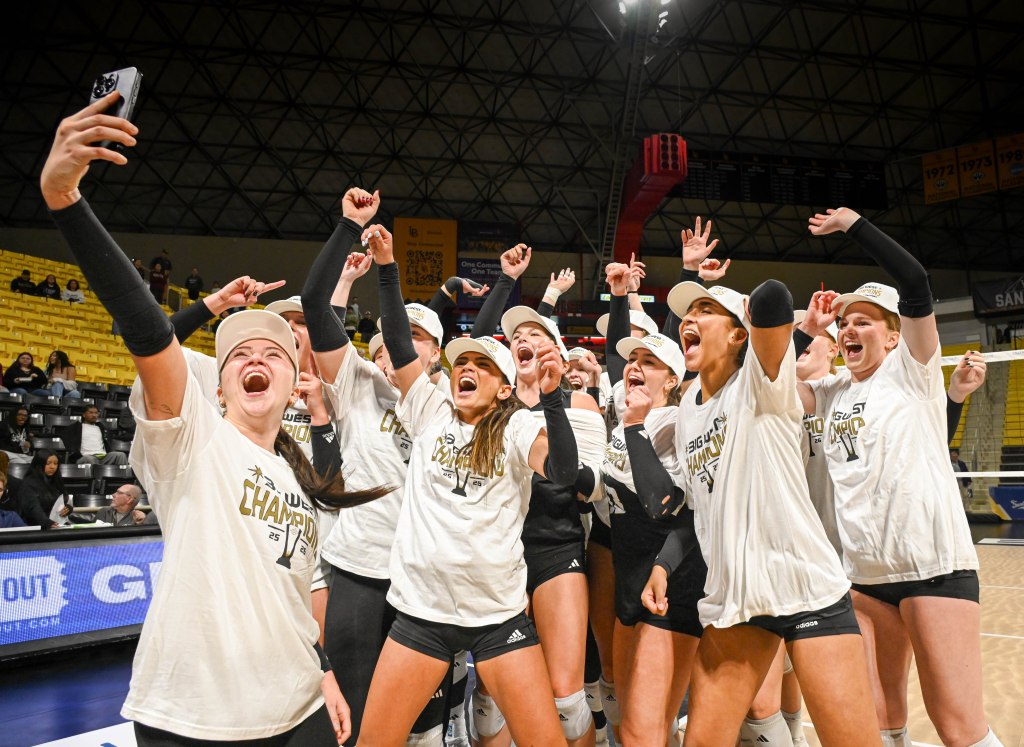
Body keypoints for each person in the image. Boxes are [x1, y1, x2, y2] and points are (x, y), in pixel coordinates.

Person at [41, 92, 391, 744]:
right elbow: (149, 333)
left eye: (274, 354)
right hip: (193, 716)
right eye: (239, 356)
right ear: (219, 384)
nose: (256, 359)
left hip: (298, 703)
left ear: (292, 381)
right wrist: (66, 200)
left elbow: (291, 590)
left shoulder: (297, 471)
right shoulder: (194, 438)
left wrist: (321, 670)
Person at [354, 221, 579, 747]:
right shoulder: (429, 409)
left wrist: (551, 400)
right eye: (462, 363)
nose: (466, 369)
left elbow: (564, 472)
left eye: (481, 364)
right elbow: (399, 343)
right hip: (422, 613)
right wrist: (387, 267)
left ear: (503, 389)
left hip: (497, 615)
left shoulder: (518, 425)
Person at [802, 207, 1004, 747]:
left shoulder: (911, 369)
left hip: (931, 567)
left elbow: (915, 281)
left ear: (894, 337)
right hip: (864, 577)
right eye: (845, 322)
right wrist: (807, 332)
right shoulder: (831, 390)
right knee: (879, 725)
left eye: (865, 321)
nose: (850, 328)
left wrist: (853, 224)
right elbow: (771, 386)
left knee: (957, 726)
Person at [660, 277, 881, 746]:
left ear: (738, 334)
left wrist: (768, 316)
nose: (689, 318)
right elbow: (700, 509)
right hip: (736, 600)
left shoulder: (762, 380)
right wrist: (663, 566)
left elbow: (775, 295)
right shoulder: (686, 411)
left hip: (805, 587)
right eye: (687, 313)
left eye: (705, 310)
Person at [60, 405, 128, 466]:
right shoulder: (76, 427)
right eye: (91, 412)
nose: (94, 415)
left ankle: (122, 476)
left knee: (121, 455)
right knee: (90, 459)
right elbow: (63, 435)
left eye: (96, 413)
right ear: (84, 414)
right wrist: (74, 452)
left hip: (104, 456)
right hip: (86, 457)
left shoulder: (101, 427)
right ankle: (97, 476)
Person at [17, 449, 66, 528]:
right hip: (34, 527)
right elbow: (33, 508)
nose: (52, 467)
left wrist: (68, 508)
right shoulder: (29, 483)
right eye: (48, 463)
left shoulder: (56, 480)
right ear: (39, 464)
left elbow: (64, 499)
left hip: (55, 524)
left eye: (55, 463)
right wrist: (46, 522)